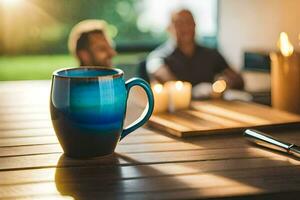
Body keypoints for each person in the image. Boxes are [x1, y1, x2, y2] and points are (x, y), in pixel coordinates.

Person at [146, 9, 244, 90]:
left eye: (189, 22)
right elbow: (160, 73)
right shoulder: (159, 56)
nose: (185, 27)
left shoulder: (212, 55)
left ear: (195, 25)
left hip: (212, 108)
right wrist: (191, 92)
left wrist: (226, 82)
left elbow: (238, 81)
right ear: (169, 28)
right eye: (179, 23)